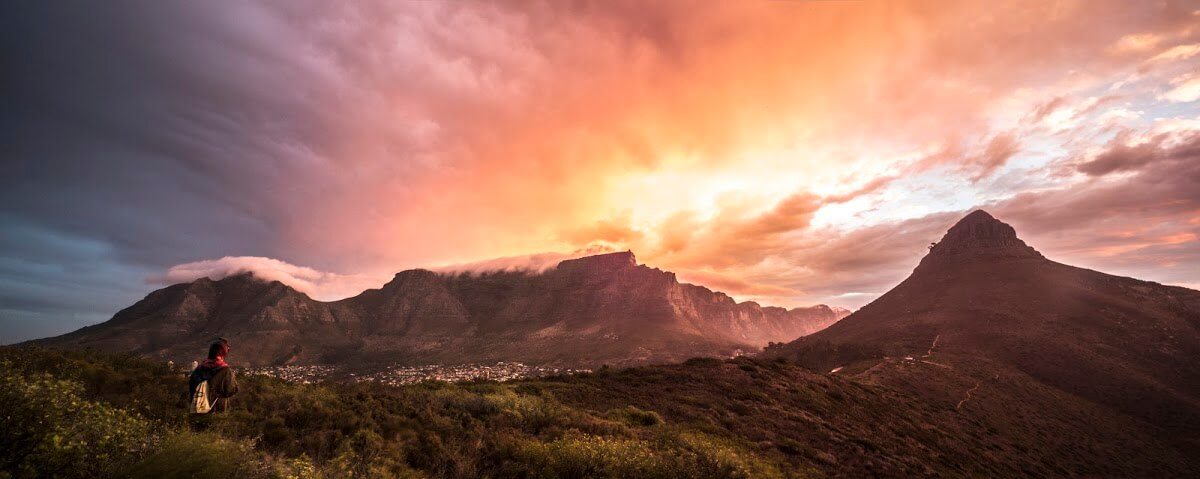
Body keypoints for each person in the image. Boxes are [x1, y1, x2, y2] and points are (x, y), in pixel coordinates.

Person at [188, 338, 239, 414]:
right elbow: (230, 390)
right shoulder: (225, 370)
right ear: (223, 352)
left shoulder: (199, 368)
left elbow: (191, 387)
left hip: (197, 410)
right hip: (217, 411)